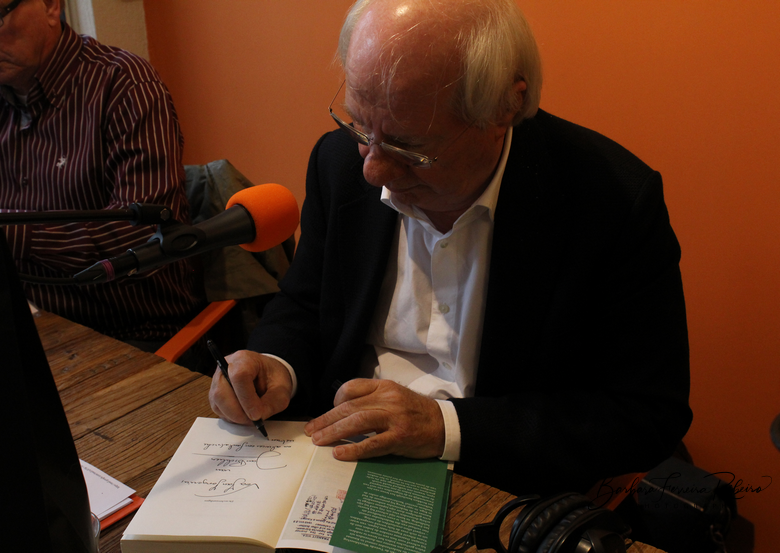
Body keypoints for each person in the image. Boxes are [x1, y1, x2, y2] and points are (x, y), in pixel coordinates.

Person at [209, 0, 692, 496]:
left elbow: (648, 414)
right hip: (334, 458)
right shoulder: (338, 162)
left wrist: (446, 426)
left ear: (504, 108)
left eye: (409, 147)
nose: (373, 170)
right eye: (358, 125)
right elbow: (308, 302)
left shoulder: (611, 200)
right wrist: (276, 363)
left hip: (498, 482)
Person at [0, 0, 201, 346]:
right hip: (25, 324)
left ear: (51, 6)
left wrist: (8, 233)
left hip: (132, 330)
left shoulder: (124, 84)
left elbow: (144, 239)